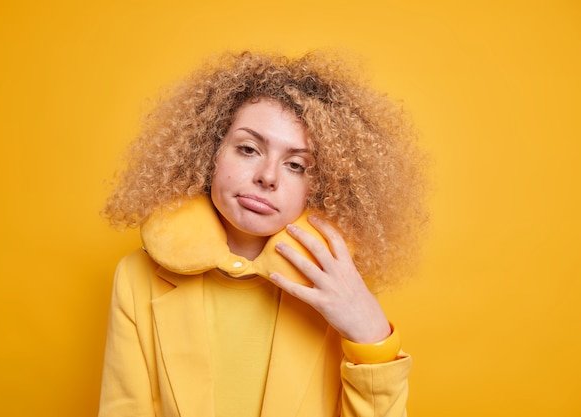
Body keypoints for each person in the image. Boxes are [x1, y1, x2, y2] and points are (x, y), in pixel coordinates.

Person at [98, 51, 427, 417]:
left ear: (321, 185)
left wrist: (371, 337)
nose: (267, 176)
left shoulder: (337, 283)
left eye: (296, 165)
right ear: (210, 152)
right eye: (248, 149)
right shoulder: (136, 278)